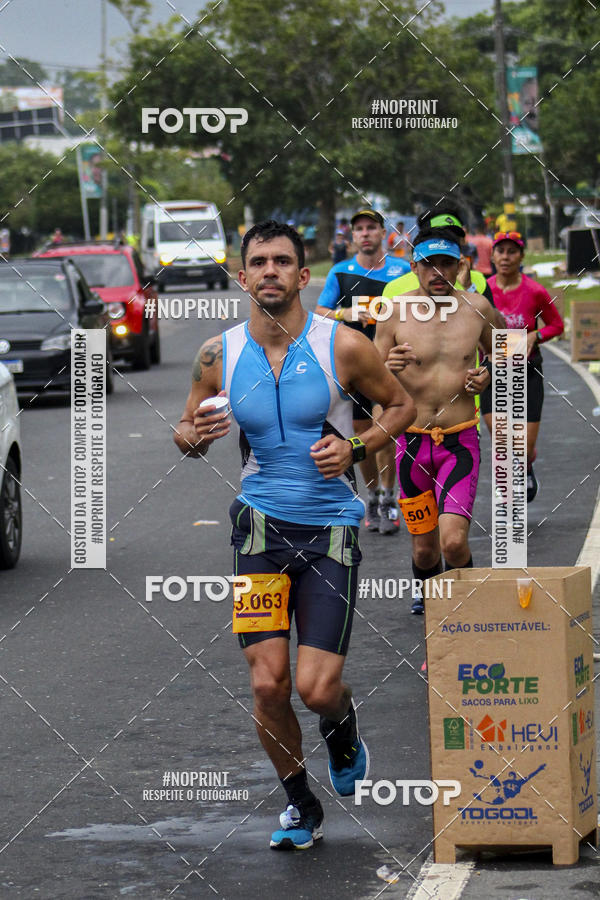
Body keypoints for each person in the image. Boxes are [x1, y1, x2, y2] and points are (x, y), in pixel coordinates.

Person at [174, 220, 415, 850]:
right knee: (267, 683)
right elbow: (184, 429)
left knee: (315, 687)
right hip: (258, 528)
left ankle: (342, 729)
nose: (271, 271)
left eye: (283, 261)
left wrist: (359, 445)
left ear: (303, 275)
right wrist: (193, 438)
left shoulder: (343, 345)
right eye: (260, 262)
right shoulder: (216, 354)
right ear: (244, 275)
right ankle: (302, 806)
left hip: (330, 529)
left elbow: (402, 406)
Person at [375, 228, 495, 614]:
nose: (438, 272)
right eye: (429, 264)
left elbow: (506, 356)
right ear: (415, 267)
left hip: (460, 444)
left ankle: (467, 610)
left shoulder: (478, 308)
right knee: (425, 551)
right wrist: (387, 368)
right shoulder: (394, 311)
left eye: (447, 263)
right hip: (410, 445)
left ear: (461, 265)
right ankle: (431, 601)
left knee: (453, 543)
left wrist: (488, 374)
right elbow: (371, 372)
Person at [315, 209, 411, 534]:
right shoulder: (341, 272)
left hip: (392, 363)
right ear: (352, 236)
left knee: (388, 432)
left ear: (384, 232)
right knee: (363, 436)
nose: (366, 233)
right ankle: (372, 494)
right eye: (360, 229)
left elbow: (418, 308)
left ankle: (390, 496)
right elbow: (319, 312)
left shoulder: (402, 270)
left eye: (372, 227)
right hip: (355, 367)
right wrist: (349, 312)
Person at [479, 231, 564, 502]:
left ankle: (526, 465)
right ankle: (509, 490)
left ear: (521, 256)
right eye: (500, 251)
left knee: (523, 447)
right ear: (492, 256)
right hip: (493, 371)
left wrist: (534, 335)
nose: (505, 257)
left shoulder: (535, 291)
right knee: (503, 442)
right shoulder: (484, 289)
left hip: (527, 371)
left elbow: (556, 325)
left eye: (512, 252)